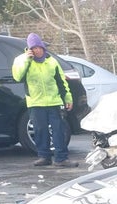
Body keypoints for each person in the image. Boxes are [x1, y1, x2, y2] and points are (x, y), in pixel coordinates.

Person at [11, 33, 77, 167]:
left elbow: (61, 82)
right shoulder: (21, 60)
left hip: (54, 102)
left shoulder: (52, 61)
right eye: (34, 48)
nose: (37, 51)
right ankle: (44, 156)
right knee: (40, 131)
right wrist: (27, 60)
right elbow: (18, 76)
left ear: (43, 47)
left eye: (39, 48)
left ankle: (61, 158)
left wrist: (67, 98)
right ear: (30, 49)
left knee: (58, 130)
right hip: (35, 102)